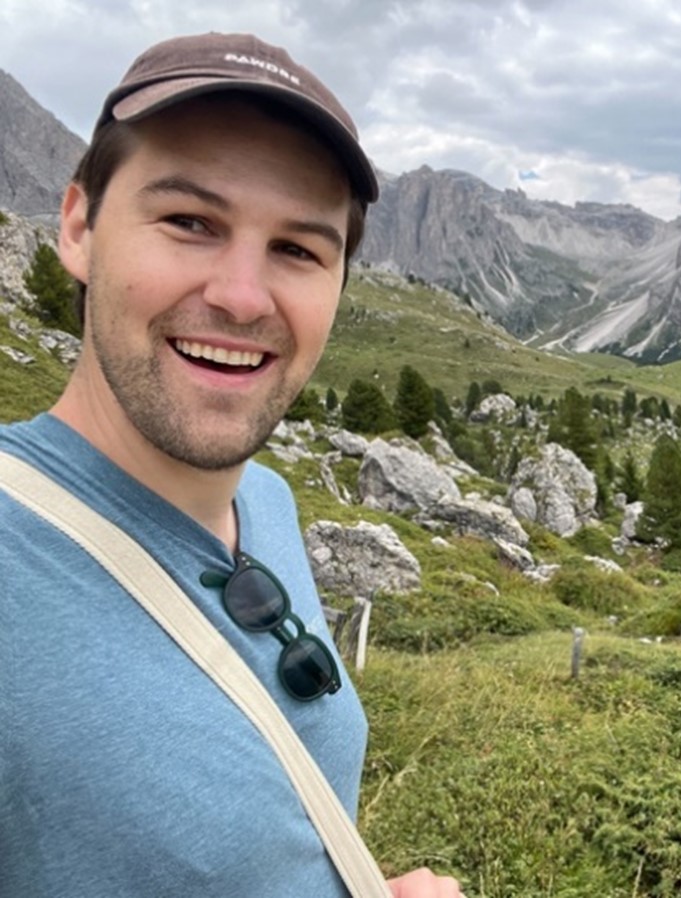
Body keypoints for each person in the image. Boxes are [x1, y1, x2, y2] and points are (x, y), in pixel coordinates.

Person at [0, 32, 461, 897]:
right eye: (189, 222)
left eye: (298, 249)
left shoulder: (270, 504)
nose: (243, 296)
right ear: (78, 226)